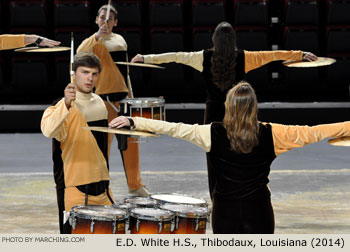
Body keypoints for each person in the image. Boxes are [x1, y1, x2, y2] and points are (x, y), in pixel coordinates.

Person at [110, 81, 350, 234]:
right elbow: (316, 131)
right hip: (259, 211)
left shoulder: (210, 133)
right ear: (254, 107)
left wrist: (134, 120)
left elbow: (173, 127)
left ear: (228, 106)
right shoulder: (273, 133)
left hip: (225, 212)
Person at [131, 21, 318, 198]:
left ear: (215, 39)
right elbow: (273, 55)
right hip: (238, 113)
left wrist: (145, 58)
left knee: (214, 157)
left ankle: (216, 195)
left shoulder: (202, 57)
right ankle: (241, 191)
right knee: (241, 153)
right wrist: (300, 54)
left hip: (213, 115)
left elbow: (175, 56)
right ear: (233, 40)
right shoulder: (245, 57)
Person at [77, 4, 149, 197]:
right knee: (102, 148)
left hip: (123, 99)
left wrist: (131, 97)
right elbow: (79, 54)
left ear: (115, 22)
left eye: (109, 19)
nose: (105, 22)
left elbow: (125, 73)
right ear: (96, 20)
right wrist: (97, 37)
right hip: (102, 102)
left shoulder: (120, 41)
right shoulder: (92, 41)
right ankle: (102, 187)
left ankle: (135, 185)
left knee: (131, 144)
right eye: (102, 18)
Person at [41, 52, 115, 234]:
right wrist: (65, 104)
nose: (90, 78)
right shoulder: (61, 104)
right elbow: (48, 130)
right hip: (73, 187)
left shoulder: (100, 103)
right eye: (85, 72)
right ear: (74, 74)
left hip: (103, 185)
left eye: (94, 74)